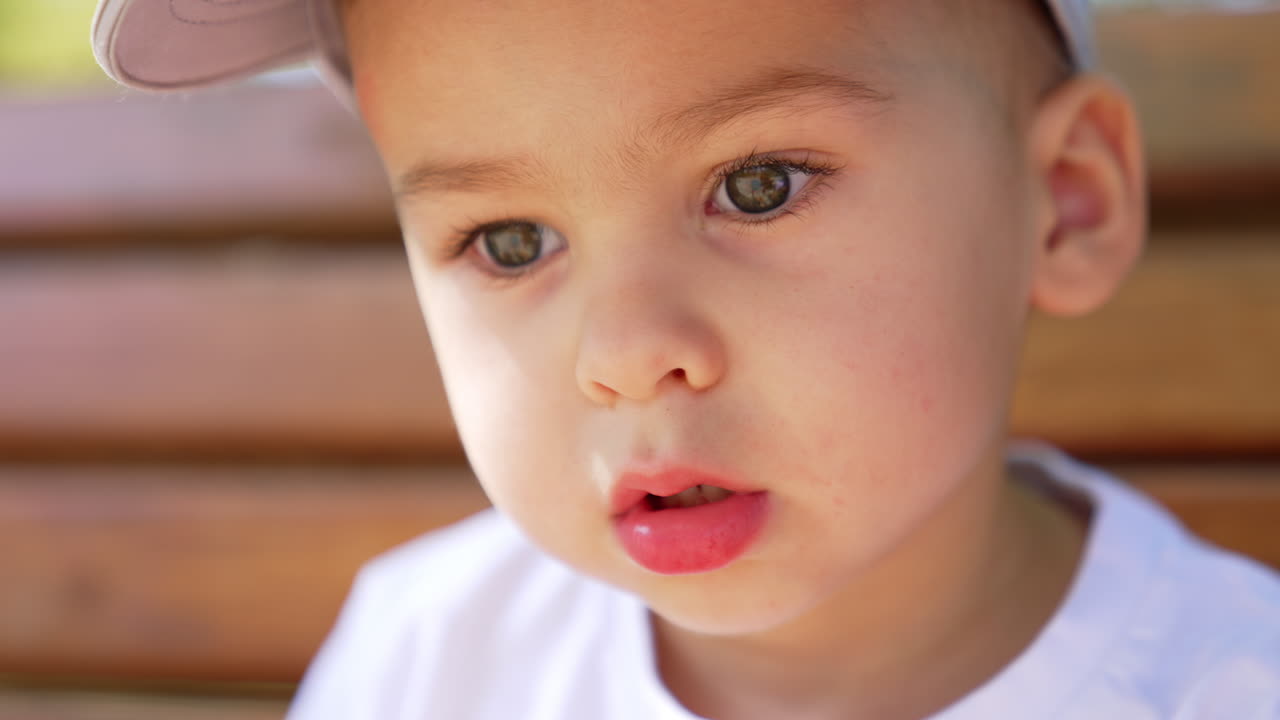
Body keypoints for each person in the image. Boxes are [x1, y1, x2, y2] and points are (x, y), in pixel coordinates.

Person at [91, 1, 1280, 717]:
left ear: (1060, 202)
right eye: (509, 241)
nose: (623, 357)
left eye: (755, 188)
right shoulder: (431, 659)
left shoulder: (1222, 685)